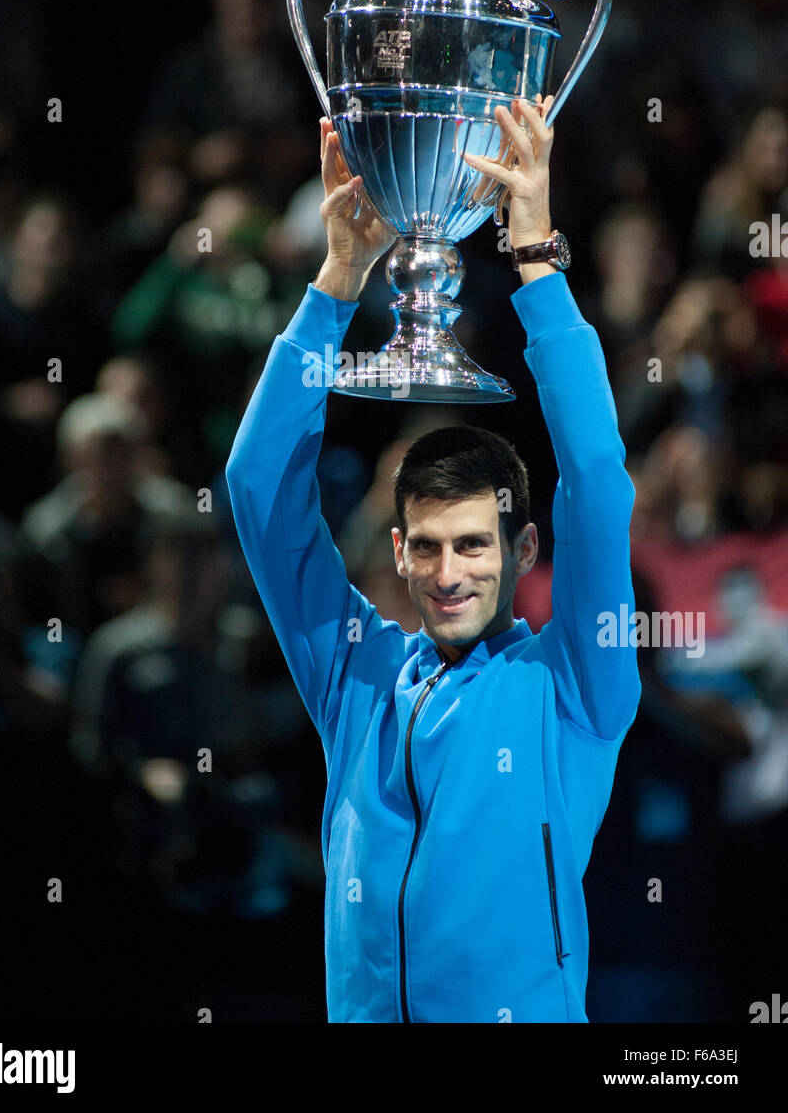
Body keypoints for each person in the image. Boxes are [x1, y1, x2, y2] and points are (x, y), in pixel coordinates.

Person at [226, 96, 641, 1023]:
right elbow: (258, 489)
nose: (450, 572)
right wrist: (336, 284)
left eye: (474, 545)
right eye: (430, 547)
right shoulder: (358, 676)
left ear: (522, 548)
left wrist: (536, 265)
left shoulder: (577, 686)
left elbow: (599, 484)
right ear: (402, 554)